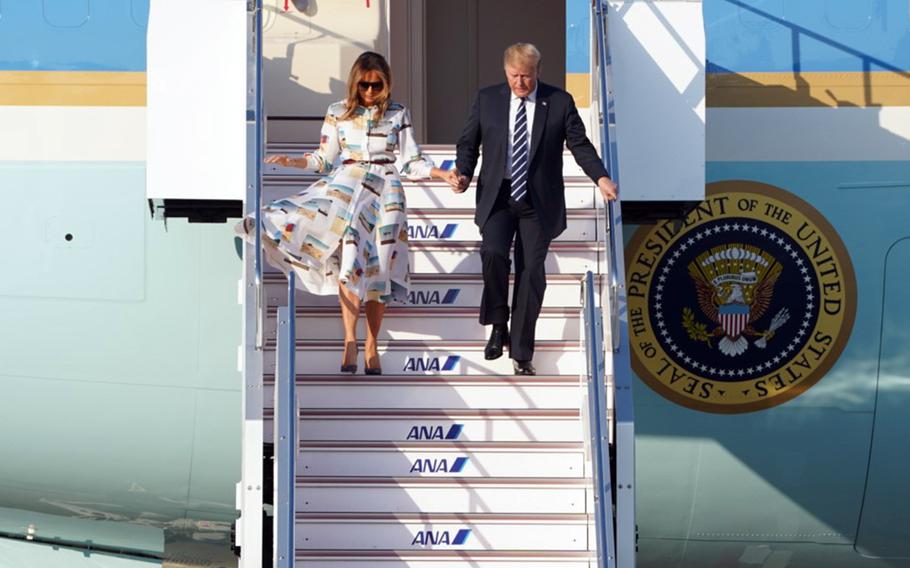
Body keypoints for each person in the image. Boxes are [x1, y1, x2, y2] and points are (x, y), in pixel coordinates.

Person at [238, 51, 459, 375]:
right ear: (355, 83)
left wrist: (442, 173)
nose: (370, 91)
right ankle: (348, 341)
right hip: (349, 188)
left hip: (387, 192)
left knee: (381, 268)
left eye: (376, 85)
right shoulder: (337, 113)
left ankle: (371, 342)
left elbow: (412, 161)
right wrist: (292, 161)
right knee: (351, 263)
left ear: (386, 84)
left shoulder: (398, 113)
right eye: (364, 85)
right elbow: (323, 160)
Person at [454, 43, 618, 376]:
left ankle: (521, 350)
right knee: (494, 253)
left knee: (530, 274)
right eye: (514, 76)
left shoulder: (558, 102)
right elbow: (468, 142)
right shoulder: (488, 99)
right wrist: (464, 173)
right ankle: (499, 323)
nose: (520, 83)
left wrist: (600, 176)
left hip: (538, 202)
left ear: (538, 72)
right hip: (498, 197)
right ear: (505, 71)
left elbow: (580, 144)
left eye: (526, 76)